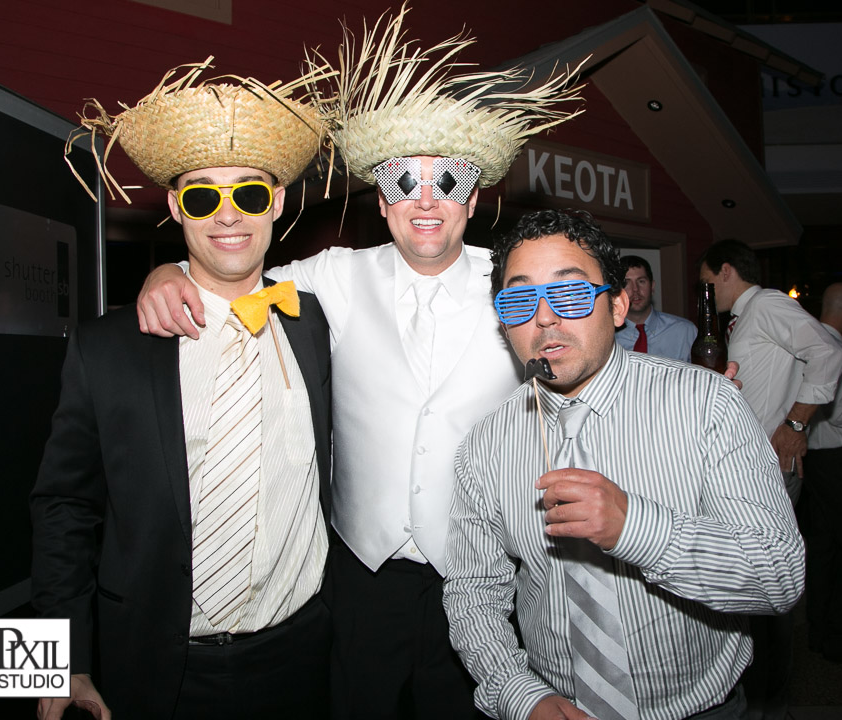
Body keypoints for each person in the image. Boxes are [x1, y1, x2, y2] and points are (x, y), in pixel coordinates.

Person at [135, 6, 585, 718]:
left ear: (475, 197)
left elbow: (579, 361)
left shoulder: (514, 283)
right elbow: (233, 279)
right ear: (382, 202)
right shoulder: (334, 275)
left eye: (449, 182)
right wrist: (163, 274)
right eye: (406, 182)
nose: (427, 201)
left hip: (479, 573)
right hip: (356, 576)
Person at [31, 59, 333, 720]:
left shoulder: (312, 324)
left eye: (249, 195)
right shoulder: (105, 346)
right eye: (202, 196)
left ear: (278, 201)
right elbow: (59, 509)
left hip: (303, 658)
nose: (228, 215)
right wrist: (44, 670)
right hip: (148, 666)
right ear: (174, 207)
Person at [443, 208, 805, 720]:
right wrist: (518, 693)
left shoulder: (706, 405)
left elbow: (780, 575)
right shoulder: (486, 445)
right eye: (520, 298)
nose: (543, 317)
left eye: (568, 293)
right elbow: (474, 591)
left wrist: (635, 526)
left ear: (617, 306)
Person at [697, 238, 842, 720]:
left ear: (724, 271)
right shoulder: (749, 316)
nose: (706, 293)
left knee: (768, 589)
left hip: (769, 469)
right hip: (750, 468)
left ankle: (770, 705)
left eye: (706, 283)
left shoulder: (767, 304)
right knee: (752, 589)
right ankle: (758, 700)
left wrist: (797, 422)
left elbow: (828, 352)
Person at [798, 282, 842, 667]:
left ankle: (819, 629)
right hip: (838, 459)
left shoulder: (809, 341)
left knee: (823, 546)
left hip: (817, 459)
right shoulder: (835, 347)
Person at [615, 254, 696, 361]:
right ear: (617, 291)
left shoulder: (685, 331)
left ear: (652, 286)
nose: (635, 289)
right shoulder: (609, 337)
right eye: (626, 283)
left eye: (641, 281)